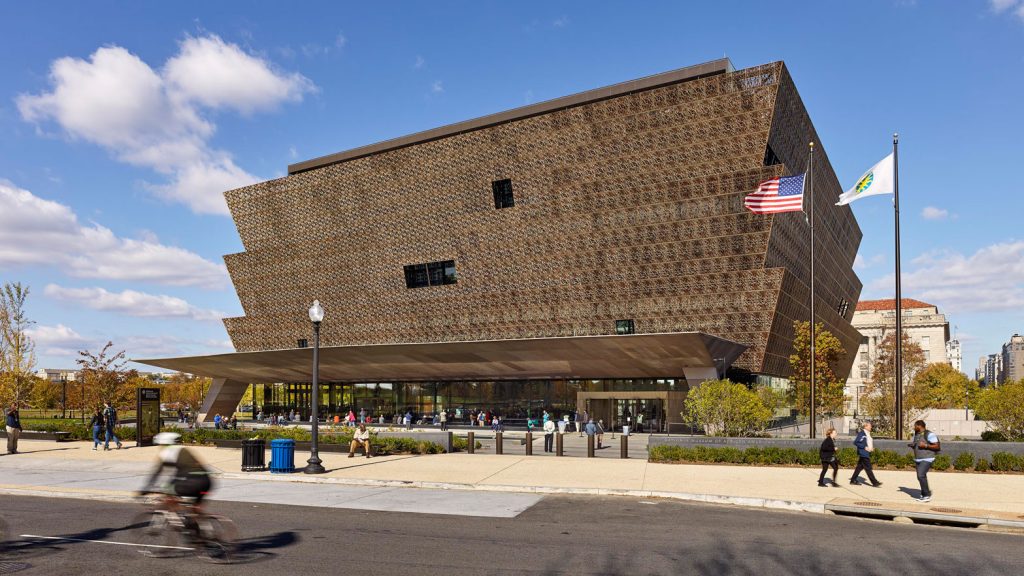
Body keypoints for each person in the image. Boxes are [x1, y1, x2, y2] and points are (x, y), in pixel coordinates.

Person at [139, 432, 213, 514]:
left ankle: (176, 518)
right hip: (206, 482)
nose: (160, 447)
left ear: (165, 443)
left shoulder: (167, 452)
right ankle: (197, 520)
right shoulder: (184, 449)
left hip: (193, 483)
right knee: (194, 507)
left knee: (168, 490)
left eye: (160, 445)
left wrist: (146, 488)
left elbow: (156, 473)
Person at [909, 419, 941, 502]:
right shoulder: (917, 434)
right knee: (920, 477)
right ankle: (924, 493)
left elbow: (937, 446)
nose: (914, 427)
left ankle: (926, 495)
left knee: (921, 475)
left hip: (927, 458)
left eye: (915, 426)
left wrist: (925, 445)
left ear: (919, 426)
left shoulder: (929, 434)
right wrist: (913, 445)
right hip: (918, 459)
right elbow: (918, 444)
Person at [850, 421, 882, 487]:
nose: (871, 427)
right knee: (868, 468)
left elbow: (867, 442)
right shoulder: (862, 433)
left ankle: (853, 480)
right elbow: (856, 442)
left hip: (866, 453)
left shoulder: (867, 433)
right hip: (863, 453)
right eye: (870, 426)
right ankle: (875, 482)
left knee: (859, 468)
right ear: (866, 426)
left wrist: (871, 448)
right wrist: (865, 447)